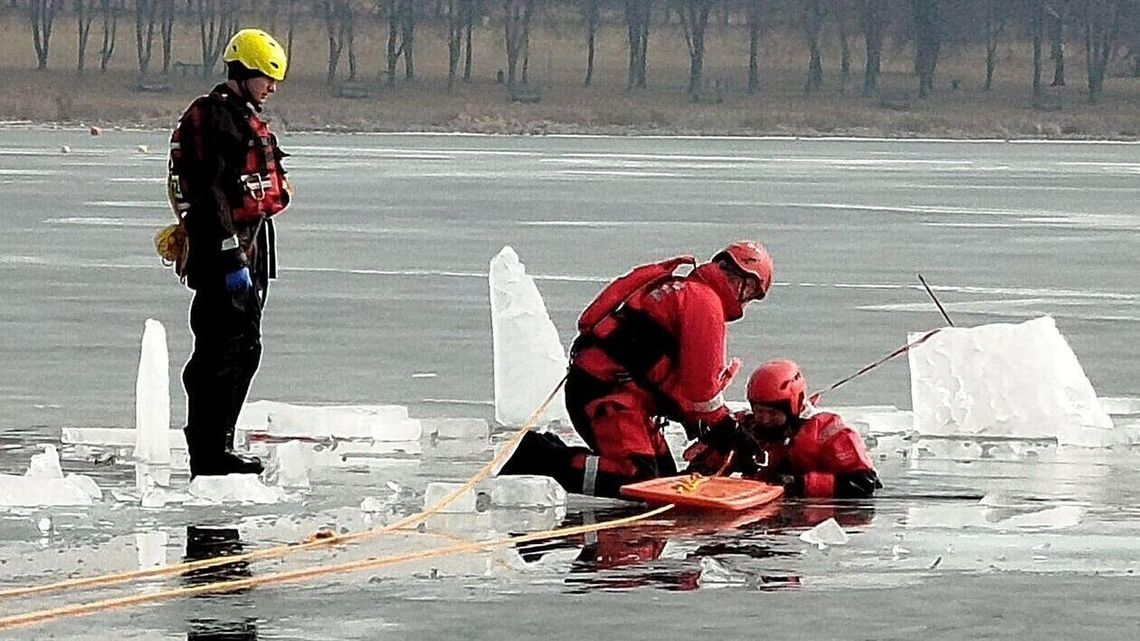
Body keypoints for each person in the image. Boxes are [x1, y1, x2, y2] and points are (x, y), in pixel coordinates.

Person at [501, 241, 774, 497]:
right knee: (640, 482)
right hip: (607, 394)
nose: (746, 303)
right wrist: (728, 430)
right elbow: (701, 391)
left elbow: (670, 378)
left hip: (610, 389)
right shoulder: (705, 304)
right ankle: (539, 457)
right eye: (751, 293)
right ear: (742, 280)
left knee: (665, 479)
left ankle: (550, 450)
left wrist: (712, 426)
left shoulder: (682, 290)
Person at [168, 28, 292, 477]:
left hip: (251, 248)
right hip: (224, 254)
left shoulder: (243, 117)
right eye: (266, 78)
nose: (272, 88)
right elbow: (207, 193)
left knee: (245, 349)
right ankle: (208, 450)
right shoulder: (211, 117)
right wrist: (229, 258)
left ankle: (220, 442)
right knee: (220, 352)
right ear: (242, 74)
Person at [685, 359, 881, 498]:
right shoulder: (746, 427)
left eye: (773, 413)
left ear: (794, 404)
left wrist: (798, 484)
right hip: (756, 503)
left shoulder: (828, 432)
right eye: (759, 411)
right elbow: (712, 463)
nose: (764, 419)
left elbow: (864, 484)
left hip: (805, 519)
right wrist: (701, 470)